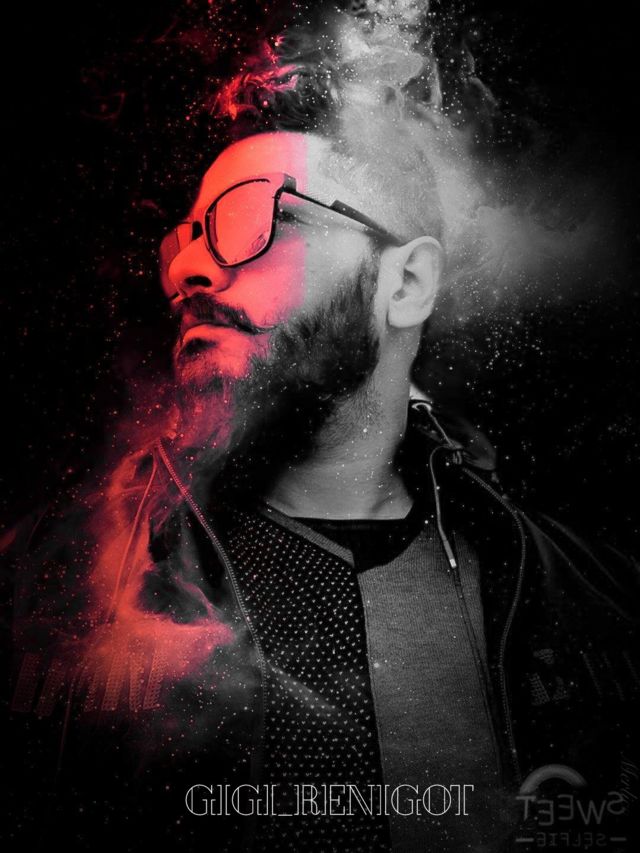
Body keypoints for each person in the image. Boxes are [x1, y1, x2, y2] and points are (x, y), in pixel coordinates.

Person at [5, 12, 640, 853]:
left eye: (250, 217)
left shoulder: (594, 597)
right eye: (186, 238)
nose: (188, 268)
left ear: (406, 283)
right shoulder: (41, 586)